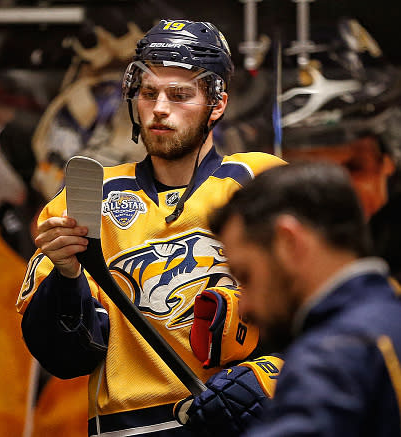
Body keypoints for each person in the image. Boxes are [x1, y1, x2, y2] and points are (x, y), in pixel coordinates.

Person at [17, 19, 286, 436]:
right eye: (148, 93)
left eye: (180, 95)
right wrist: (67, 280)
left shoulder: (261, 183)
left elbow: (333, 307)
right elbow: (64, 358)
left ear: (216, 105)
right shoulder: (85, 200)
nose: (160, 108)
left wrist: (273, 373)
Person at [208, 161, 401, 437]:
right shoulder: (400, 323)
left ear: (289, 242)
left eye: (246, 276)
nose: (244, 306)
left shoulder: (331, 355)